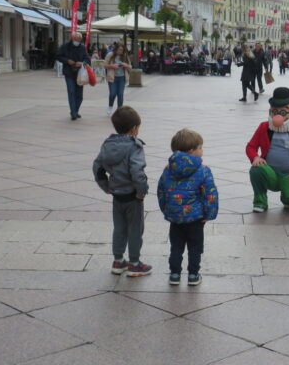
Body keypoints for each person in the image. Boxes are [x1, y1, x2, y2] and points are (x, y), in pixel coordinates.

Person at [92, 106, 152, 276]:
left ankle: (118, 261)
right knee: (135, 229)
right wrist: (142, 191)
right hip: (133, 197)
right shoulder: (134, 147)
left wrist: (107, 187)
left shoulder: (107, 145)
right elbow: (137, 172)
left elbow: (97, 168)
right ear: (134, 129)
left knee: (119, 228)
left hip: (117, 195)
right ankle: (134, 263)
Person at [157, 128, 218, 286]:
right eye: (200, 148)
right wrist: (209, 214)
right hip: (195, 218)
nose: (202, 151)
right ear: (192, 151)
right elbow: (210, 194)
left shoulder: (167, 170)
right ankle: (193, 275)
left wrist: (167, 209)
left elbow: (161, 192)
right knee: (195, 247)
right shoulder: (203, 170)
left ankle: (175, 274)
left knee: (176, 246)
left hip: (175, 217)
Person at [56, 32, 91, 120]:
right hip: (69, 72)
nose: (77, 42)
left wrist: (82, 63)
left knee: (79, 95)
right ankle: (73, 113)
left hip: (80, 74)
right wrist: (67, 60)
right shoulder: (65, 46)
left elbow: (87, 59)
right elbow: (58, 56)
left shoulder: (82, 47)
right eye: (75, 40)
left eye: (79, 40)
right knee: (71, 92)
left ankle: (75, 110)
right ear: (72, 39)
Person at [104, 44, 132, 116]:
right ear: (116, 49)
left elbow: (130, 67)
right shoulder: (110, 55)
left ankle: (120, 111)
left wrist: (126, 65)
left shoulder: (125, 56)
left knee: (120, 94)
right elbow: (104, 65)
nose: (121, 51)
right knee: (112, 93)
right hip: (112, 77)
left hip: (122, 78)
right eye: (119, 49)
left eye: (122, 50)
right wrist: (112, 66)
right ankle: (110, 106)